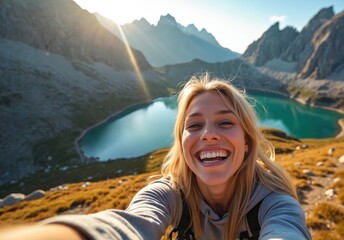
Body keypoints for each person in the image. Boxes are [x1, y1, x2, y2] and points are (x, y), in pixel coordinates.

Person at [0, 73, 312, 240]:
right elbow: (132, 223)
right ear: (181, 142)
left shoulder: (275, 202)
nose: (208, 134)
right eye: (194, 125)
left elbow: (286, 230)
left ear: (246, 142)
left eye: (226, 122)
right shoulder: (168, 194)